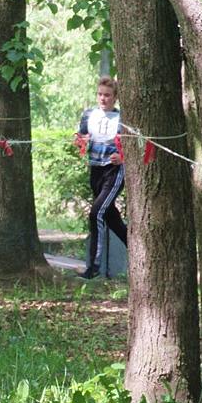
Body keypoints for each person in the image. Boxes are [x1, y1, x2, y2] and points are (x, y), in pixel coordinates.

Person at [75, 75, 127, 279]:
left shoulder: (121, 118)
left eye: (107, 95)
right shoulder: (89, 115)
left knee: (96, 213)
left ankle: (93, 267)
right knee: (111, 217)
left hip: (113, 172)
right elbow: (80, 138)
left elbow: (134, 144)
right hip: (95, 170)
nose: (103, 98)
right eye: (100, 94)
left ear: (115, 97)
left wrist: (122, 157)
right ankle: (135, 248)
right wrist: (81, 142)